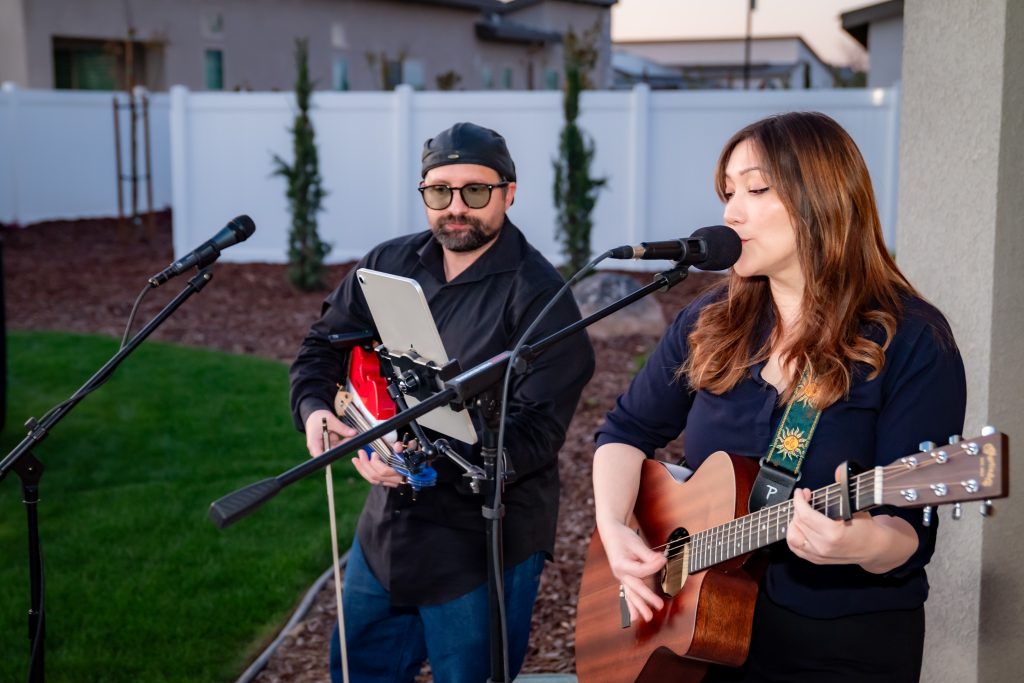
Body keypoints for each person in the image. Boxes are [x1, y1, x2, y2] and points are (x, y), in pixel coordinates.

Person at [592, 111, 966, 681]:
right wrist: (616, 528)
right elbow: (624, 433)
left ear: (823, 196)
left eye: (756, 188)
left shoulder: (910, 339)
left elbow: (908, 535)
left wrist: (860, 540)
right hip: (698, 634)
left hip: (840, 646)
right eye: (727, 192)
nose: (729, 212)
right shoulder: (710, 320)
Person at [289, 121, 595, 682]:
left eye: (474, 191)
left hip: (482, 540)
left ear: (509, 192)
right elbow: (322, 346)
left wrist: (419, 459)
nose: (456, 207)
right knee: (359, 673)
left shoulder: (541, 297)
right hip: (386, 531)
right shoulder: (389, 263)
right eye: (439, 191)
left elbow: (534, 435)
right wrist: (316, 410)